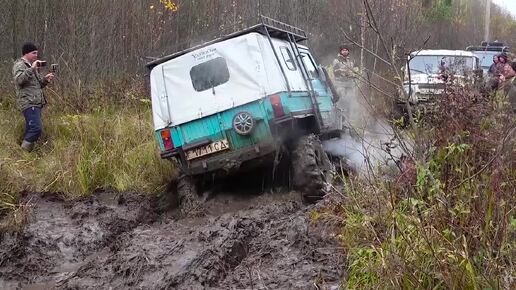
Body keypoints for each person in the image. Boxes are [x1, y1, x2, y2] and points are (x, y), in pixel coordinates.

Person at [12, 42, 54, 151]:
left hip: (36, 102)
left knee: (31, 128)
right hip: (28, 102)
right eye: (34, 53)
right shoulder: (19, 65)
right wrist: (32, 69)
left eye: (36, 53)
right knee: (36, 129)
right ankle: (23, 152)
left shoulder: (31, 66)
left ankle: (26, 155)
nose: (36, 55)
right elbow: (19, 80)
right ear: (26, 53)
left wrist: (46, 79)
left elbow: (39, 84)